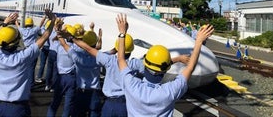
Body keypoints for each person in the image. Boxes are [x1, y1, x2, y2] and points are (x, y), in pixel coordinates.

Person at [57, 20, 190, 117]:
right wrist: (177, 59)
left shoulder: (109, 60)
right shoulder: (135, 64)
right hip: (124, 105)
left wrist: (72, 39)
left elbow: (89, 48)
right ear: (131, 51)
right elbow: (157, 65)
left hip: (108, 104)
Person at [116, 13, 214, 116]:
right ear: (165, 70)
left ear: (145, 64)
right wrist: (198, 42)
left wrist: (122, 33)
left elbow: (121, 60)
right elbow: (190, 67)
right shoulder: (169, 91)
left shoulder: (131, 85)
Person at [0, 10, 56, 117]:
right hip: (17, 109)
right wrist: (52, 21)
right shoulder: (23, 56)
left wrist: (5, 23)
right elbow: (44, 37)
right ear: (17, 42)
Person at [59, 23, 103, 117]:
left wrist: (59, 32)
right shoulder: (100, 58)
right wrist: (99, 37)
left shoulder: (77, 56)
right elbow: (106, 50)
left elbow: (63, 44)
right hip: (94, 93)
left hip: (81, 93)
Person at [47, 24, 76, 117]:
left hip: (60, 78)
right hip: (71, 78)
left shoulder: (59, 47)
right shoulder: (75, 49)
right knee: (68, 106)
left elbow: (57, 40)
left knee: (55, 103)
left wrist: (58, 31)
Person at [15, 15, 46, 87]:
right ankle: (31, 83)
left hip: (25, 49)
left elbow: (17, 26)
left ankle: (25, 82)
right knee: (32, 67)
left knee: (26, 66)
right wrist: (44, 18)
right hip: (33, 50)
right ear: (32, 24)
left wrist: (16, 20)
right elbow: (41, 24)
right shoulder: (34, 30)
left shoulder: (22, 30)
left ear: (26, 24)